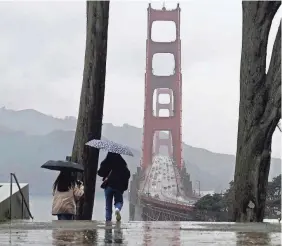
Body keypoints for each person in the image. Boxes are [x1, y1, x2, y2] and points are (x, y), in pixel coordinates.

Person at [98, 152, 131, 222]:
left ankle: (108, 221)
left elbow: (100, 173)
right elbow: (127, 174)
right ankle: (117, 209)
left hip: (108, 186)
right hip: (118, 187)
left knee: (108, 206)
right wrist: (124, 187)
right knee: (119, 201)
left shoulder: (107, 161)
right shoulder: (122, 163)